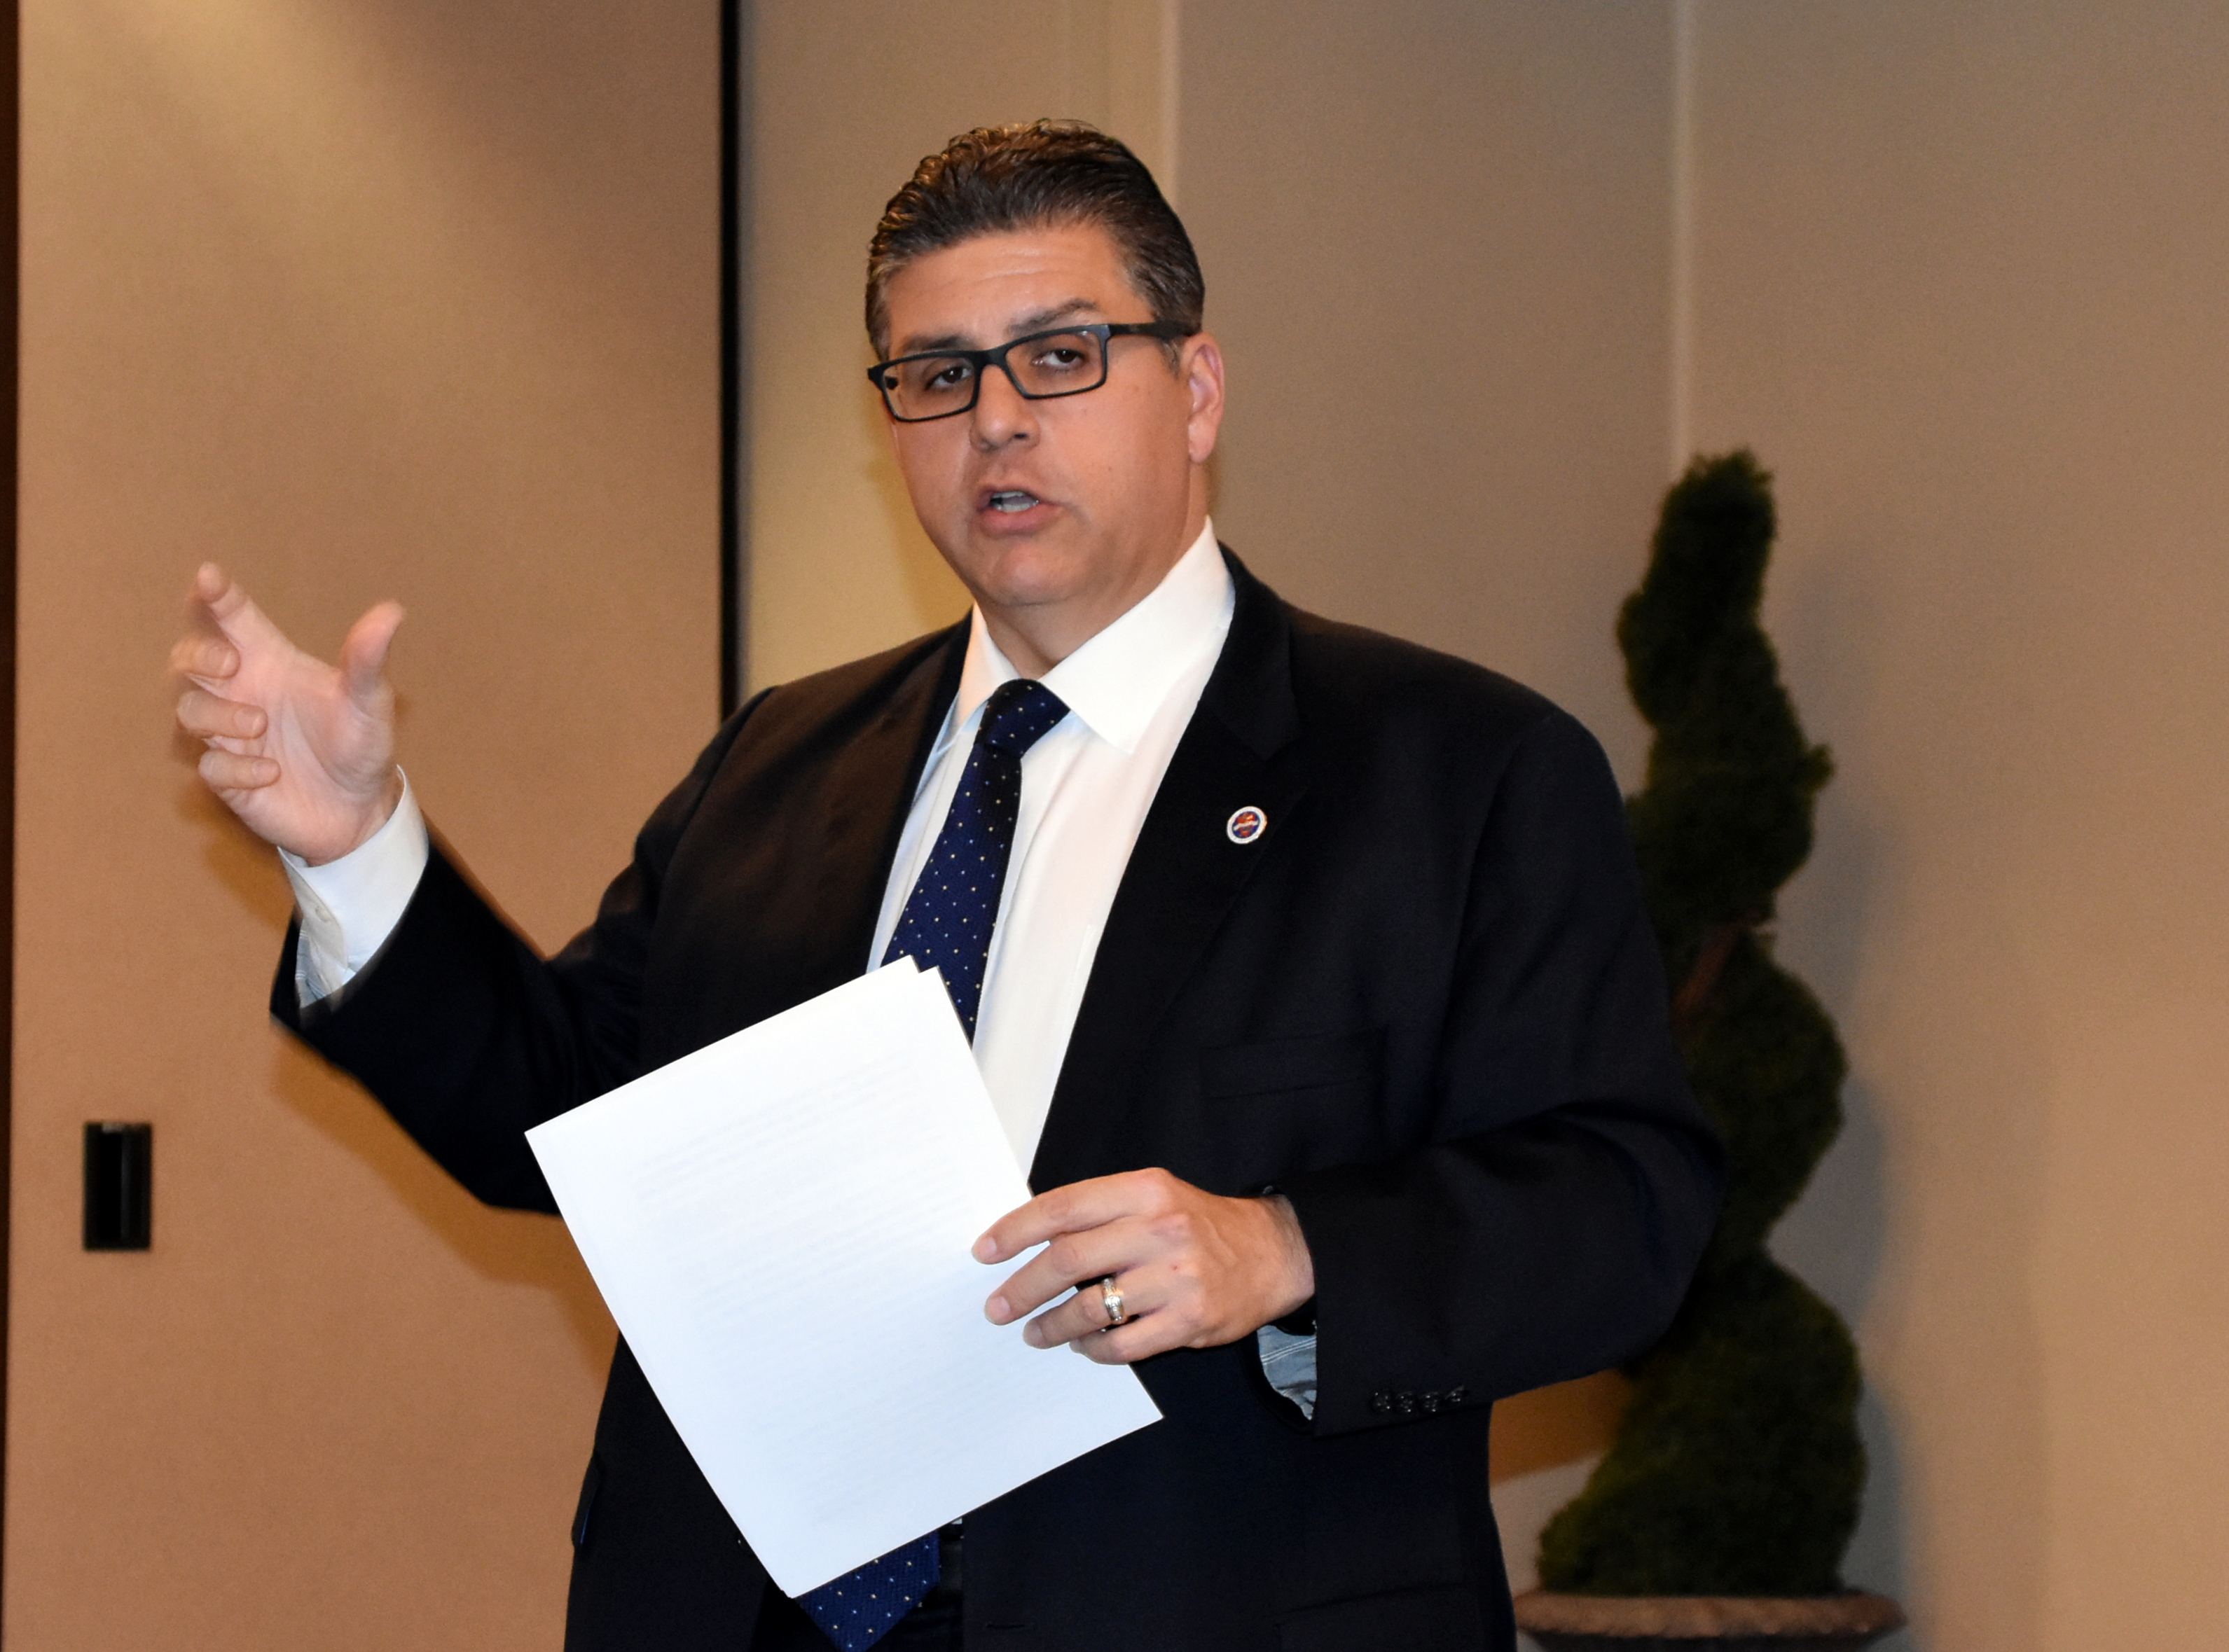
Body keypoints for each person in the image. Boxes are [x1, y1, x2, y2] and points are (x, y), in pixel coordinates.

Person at [172, 121, 1720, 1652]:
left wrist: (1287, 1248)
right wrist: (357, 846)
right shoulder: (782, 760)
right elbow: (566, 1122)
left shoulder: (1453, 770)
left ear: (1194, 391)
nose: (995, 421)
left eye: (1059, 356)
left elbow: (1625, 1208)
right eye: (937, 375)